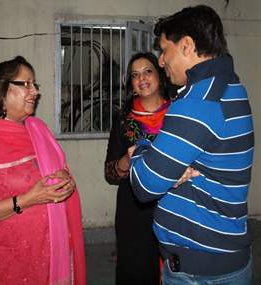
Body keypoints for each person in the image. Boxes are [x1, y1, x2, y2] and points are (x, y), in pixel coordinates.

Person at [130, 5, 254, 285]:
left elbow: (144, 184)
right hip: (226, 258)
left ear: (186, 46)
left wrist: (141, 148)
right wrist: (172, 168)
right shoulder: (232, 87)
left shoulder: (197, 103)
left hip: (200, 272)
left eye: (165, 50)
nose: (162, 61)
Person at [0, 56, 86, 285]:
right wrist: (28, 199)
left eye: (35, 84)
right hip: (5, 260)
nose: (35, 92)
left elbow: (57, 173)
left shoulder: (38, 130)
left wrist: (66, 181)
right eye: (26, 84)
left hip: (47, 254)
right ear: (2, 91)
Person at [104, 52, 171, 284]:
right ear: (131, 84)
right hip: (135, 208)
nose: (141, 78)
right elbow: (110, 173)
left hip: (175, 203)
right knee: (136, 270)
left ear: (160, 76)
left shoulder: (178, 114)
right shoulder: (124, 120)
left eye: (147, 71)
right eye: (135, 75)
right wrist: (125, 160)